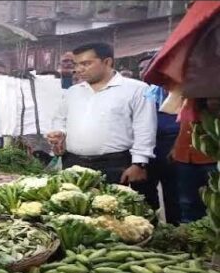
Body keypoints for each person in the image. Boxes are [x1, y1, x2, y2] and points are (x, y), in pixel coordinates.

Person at [47, 43, 158, 206]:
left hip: (115, 165)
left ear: (107, 62)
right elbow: (60, 119)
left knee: (115, 213)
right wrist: (59, 133)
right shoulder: (73, 92)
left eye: (86, 63)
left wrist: (139, 163)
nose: (79, 69)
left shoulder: (136, 89)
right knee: (77, 212)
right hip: (73, 164)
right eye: (77, 64)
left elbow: (145, 128)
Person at [137, 53, 181, 224]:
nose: (146, 72)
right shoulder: (141, 92)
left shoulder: (180, 91)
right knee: (144, 194)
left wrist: (178, 145)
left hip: (172, 145)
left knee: (174, 195)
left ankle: (175, 231)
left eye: (150, 67)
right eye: (141, 69)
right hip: (146, 147)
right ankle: (150, 229)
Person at [169, 98, 218, 223]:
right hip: (185, 158)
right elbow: (184, 124)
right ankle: (191, 236)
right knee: (187, 204)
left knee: (215, 204)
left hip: (211, 158)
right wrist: (175, 147)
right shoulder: (187, 94)